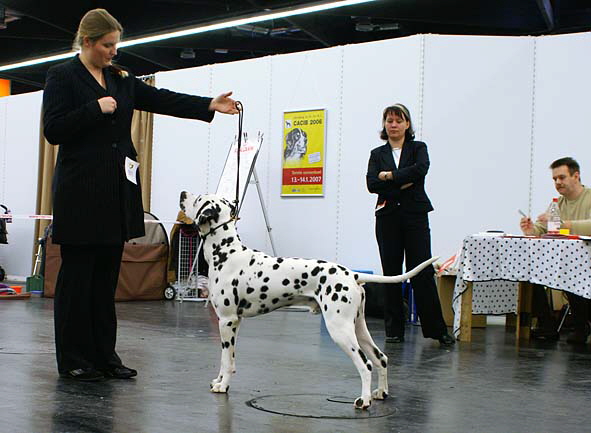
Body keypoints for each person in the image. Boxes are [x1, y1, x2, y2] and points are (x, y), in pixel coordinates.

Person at [43, 9, 239, 381]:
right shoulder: (62, 76)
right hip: (80, 193)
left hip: (116, 192)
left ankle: (105, 357)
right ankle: (73, 359)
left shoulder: (120, 78)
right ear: (87, 42)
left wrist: (208, 105)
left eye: (115, 45)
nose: (113, 52)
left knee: (105, 282)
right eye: (107, 45)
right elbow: (53, 129)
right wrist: (93, 108)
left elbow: (161, 99)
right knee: (77, 281)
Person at [366, 104, 454, 346]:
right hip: (387, 218)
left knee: (422, 271)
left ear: (407, 124)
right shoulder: (377, 154)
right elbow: (372, 184)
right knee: (392, 273)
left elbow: (420, 171)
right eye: (389, 121)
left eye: (398, 120)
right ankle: (394, 330)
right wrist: (401, 182)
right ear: (384, 125)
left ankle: (437, 330)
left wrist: (390, 176)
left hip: (415, 215)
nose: (393, 125)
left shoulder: (418, 148)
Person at [520, 157, 591, 344]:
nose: (557, 182)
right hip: (568, 262)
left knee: (572, 274)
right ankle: (546, 323)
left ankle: (581, 325)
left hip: (585, 263)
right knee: (528, 270)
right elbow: (543, 228)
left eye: (562, 177)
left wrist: (564, 224)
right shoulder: (557, 203)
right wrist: (531, 230)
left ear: (576, 176)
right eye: (554, 179)